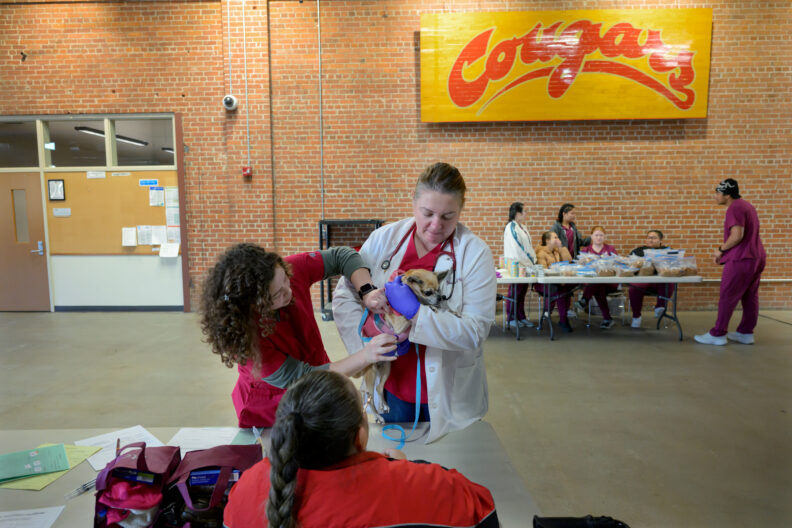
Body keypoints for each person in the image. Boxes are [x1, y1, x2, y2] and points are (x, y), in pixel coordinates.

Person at [332, 162, 496, 443]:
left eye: (448, 216)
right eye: (427, 213)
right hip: (393, 388)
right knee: (399, 470)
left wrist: (417, 315)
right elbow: (345, 296)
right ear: (414, 201)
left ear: (461, 211)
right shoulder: (384, 239)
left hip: (450, 394)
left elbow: (475, 331)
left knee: (448, 472)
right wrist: (366, 344)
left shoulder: (475, 253)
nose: (436, 225)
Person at [223, 370, 499, 528]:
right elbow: (483, 511)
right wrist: (405, 470)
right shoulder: (433, 486)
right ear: (359, 437)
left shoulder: (246, 492)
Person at [200, 243, 398, 428]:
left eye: (285, 280)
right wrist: (366, 355)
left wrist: (368, 291)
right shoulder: (248, 340)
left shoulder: (286, 272)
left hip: (318, 378)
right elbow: (303, 377)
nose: (288, 291)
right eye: (276, 295)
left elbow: (342, 256)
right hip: (271, 406)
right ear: (254, 304)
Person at [695, 179, 765, 345]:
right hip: (757, 257)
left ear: (727, 195)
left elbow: (737, 235)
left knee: (727, 295)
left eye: (718, 193)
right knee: (750, 296)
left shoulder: (734, 208)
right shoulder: (746, 205)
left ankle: (718, 334)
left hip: (741, 259)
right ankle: (746, 333)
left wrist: (721, 249)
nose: (715, 196)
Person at [627, 230, 675, 328]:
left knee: (669, 281)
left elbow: (674, 266)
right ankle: (636, 317)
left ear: (661, 240)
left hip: (659, 283)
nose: (650, 240)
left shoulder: (668, 251)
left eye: (654, 238)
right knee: (634, 287)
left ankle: (660, 307)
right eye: (649, 237)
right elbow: (629, 266)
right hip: (642, 282)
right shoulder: (638, 251)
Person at [576, 226, 619, 329]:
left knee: (597, 285)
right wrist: (582, 262)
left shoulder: (610, 249)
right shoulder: (586, 250)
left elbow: (618, 264)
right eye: (596, 235)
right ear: (591, 236)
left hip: (609, 282)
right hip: (592, 283)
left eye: (601, 235)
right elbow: (579, 267)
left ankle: (584, 300)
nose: (599, 238)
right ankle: (607, 319)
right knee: (599, 287)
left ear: (604, 237)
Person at [503, 201, 536, 329]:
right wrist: (529, 261)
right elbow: (516, 248)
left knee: (522, 293)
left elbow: (528, 247)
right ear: (518, 213)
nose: (527, 214)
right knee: (515, 293)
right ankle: (511, 317)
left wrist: (532, 260)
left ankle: (521, 317)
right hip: (518, 266)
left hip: (526, 265)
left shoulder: (522, 227)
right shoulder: (511, 227)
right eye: (525, 211)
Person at [534, 231, 575, 332]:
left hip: (557, 281)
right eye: (555, 237)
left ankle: (552, 313)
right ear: (547, 240)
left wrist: (561, 247)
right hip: (544, 284)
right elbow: (543, 271)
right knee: (560, 292)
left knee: (568, 288)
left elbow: (569, 261)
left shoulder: (556, 251)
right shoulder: (541, 253)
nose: (557, 239)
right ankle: (563, 320)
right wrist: (558, 272)